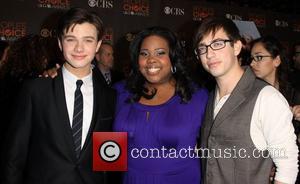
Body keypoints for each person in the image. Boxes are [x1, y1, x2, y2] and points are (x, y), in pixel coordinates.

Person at [2, 8, 116, 184]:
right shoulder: (36, 89)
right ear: (60, 43)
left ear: (98, 45)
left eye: (88, 40)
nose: (79, 48)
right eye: (71, 39)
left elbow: (110, 158)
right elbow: (14, 157)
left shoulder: (110, 96)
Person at [194, 16, 298, 184]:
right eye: (202, 48)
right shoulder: (211, 96)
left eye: (218, 43)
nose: (209, 53)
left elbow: (287, 166)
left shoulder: (267, 98)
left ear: (236, 47)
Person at [113, 26, 208, 184]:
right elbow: (107, 150)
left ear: (173, 57)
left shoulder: (198, 97)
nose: (151, 59)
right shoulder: (119, 91)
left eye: (160, 53)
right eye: (144, 54)